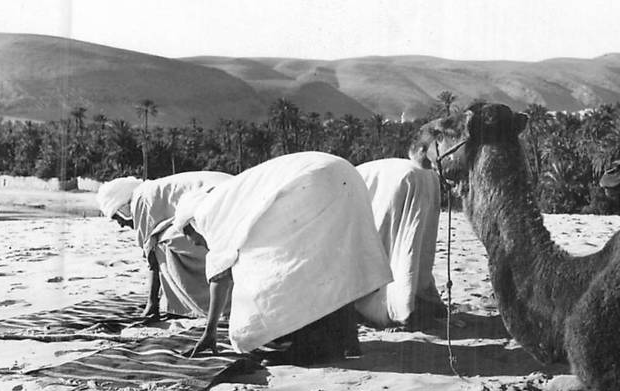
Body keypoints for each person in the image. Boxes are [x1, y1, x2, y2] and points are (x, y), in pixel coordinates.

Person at [172, 152, 392, 360]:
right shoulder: (229, 197)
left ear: (190, 226)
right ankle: (346, 340)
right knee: (331, 264)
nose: (200, 245)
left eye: (194, 240)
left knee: (291, 272)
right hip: (344, 172)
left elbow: (220, 275)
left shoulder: (206, 214)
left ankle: (313, 347)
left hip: (315, 180)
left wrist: (209, 333)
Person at [353, 158, 445, 328]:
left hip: (398, 181)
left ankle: (399, 305)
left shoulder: (353, 177)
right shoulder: (358, 172)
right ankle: (415, 296)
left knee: (390, 245)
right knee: (415, 244)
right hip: (427, 177)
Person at [128, 171, 232, 319]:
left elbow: (150, 258)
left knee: (160, 242)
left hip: (221, 204)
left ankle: (189, 305)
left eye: (117, 218)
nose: (120, 224)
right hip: (228, 197)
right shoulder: (153, 189)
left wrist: (152, 303)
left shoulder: (141, 199)